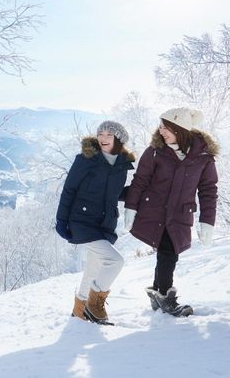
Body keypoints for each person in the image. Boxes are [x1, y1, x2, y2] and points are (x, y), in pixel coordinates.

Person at [123, 107, 218, 316]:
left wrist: (207, 221)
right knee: (168, 252)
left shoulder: (203, 157)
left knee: (169, 252)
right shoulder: (155, 151)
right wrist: (130, 206)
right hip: (154, 211)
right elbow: (140, 181)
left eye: (167, 128)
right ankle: (165, 298)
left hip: (180, 214)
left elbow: (208, 190)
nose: (161, 131)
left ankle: (158, 294)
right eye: (161, 126)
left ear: (180, 129)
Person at [55, 120, 135, 325]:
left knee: (94, 267)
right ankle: (94, 306)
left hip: (105, 224)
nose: (103, 138)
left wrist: (140, 194)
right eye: (100, 133)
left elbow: (114, 193)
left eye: (109, 134)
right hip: (81, 221)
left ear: (119, 139)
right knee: (114, 261)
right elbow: (69, 189)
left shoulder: (121, 165)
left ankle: (79, 311)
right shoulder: (86, 159)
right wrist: (61, 219)